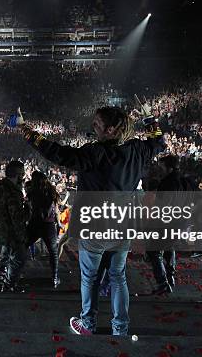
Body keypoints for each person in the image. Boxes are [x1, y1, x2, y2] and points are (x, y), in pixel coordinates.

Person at [17, 104, 165, 336]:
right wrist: (150, 119)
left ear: (112, 129)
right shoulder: (138, 149)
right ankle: (120, 328)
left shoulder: (95, 153)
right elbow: (158, 141)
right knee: (118, 277)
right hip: (122, 227)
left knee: (90, 277)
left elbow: (58, 152)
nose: (93, 126)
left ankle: (88, 324)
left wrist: (26, 130)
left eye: (97, 123)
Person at [146, 155, 190, 295]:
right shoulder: (183, 181)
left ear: (169, 167)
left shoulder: (167, 182)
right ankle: (170, 277)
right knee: (169, 248)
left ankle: (163, 283)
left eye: (162, 166)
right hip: (179, 222)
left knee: (155, 251)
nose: (160, 169)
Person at [0, 160, 31, 292]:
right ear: (18, 174)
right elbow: (17, 217)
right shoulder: (13, 191)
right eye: (22, 174)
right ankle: (9, 284)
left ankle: (1, 273)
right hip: (11, 231)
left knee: (6, 252)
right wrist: (28, 209)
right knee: (19, 257)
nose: (23, 177)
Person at [26, 170, 61, 288]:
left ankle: (13, 271)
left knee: (22, 245)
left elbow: (31, 207)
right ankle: (55, 277)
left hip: (36, 223)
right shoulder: (50, 191)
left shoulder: (34, 191)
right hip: (48, 224)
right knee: (53, 252)